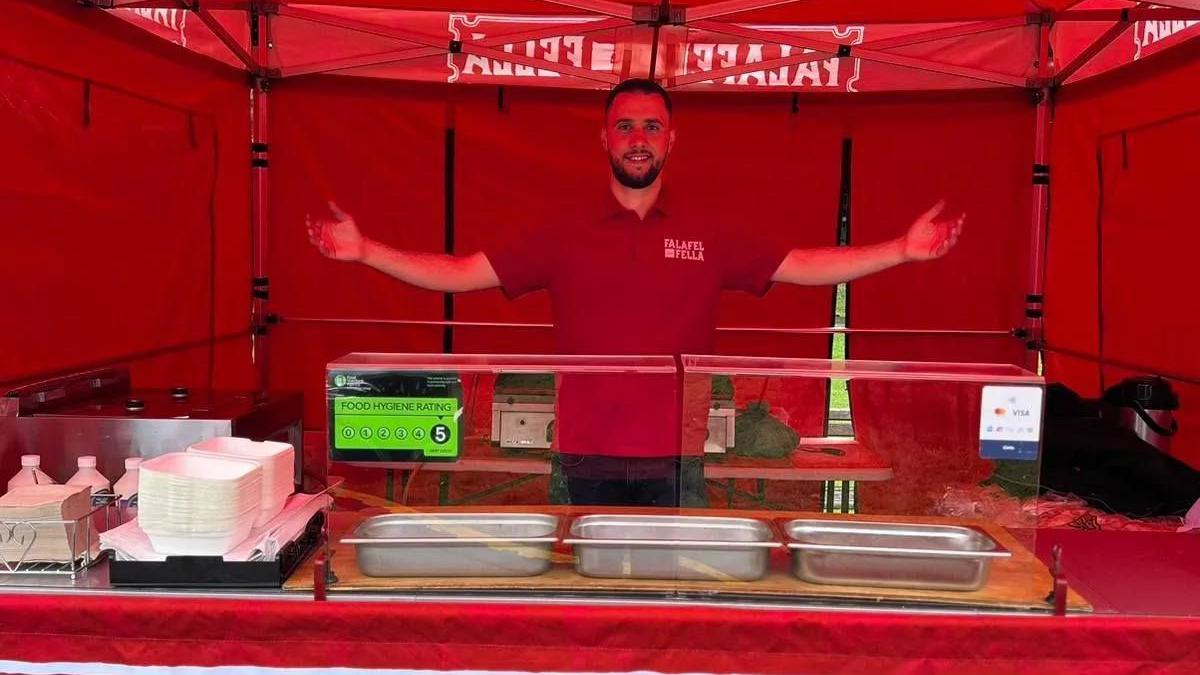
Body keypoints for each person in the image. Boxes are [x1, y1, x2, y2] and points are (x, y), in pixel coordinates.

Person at [307, 78, 964, 508]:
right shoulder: (562, 234)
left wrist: (900, 251)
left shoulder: (708, 234)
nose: (639, 140)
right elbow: (459, 271)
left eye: (652, 127)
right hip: (582, 455)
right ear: (604, 138)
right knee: (585, 612)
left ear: (672, 139)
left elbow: (804, 264)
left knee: (670, 609)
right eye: (626, 127)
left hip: (677, 460)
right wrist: (367, 251)